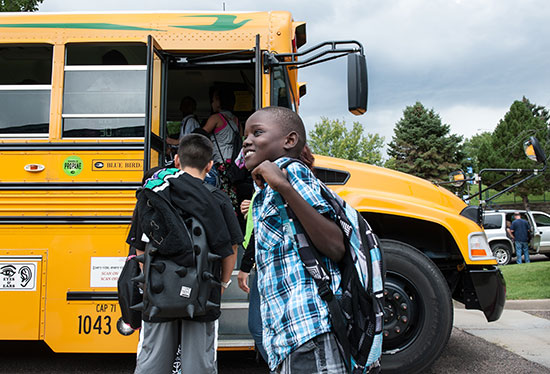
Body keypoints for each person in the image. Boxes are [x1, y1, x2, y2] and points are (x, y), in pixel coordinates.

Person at [242, 106, 349, 373]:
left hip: (309, 330)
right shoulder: (269, 186)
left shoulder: (291, 172)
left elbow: (336, 246)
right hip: (290, 337)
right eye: (245, 135)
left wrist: (285, 187)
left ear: (289, 141)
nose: (246, 140)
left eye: (257, 132)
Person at [128, 134, 242, 374]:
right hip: (204, 293)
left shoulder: (154, 193)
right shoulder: (218, 198)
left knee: (153, 361)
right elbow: (230, 249)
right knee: (199, 364)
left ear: (177, 160)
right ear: (210, 165)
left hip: (158, 294)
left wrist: (153, 279)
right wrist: (221, 283)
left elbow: (139, 247)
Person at [237, 145, 316, 365]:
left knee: (260, 328)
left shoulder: (283, 189)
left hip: (270, 268)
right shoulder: (267, 190)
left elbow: (260, 233)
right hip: (264, 267)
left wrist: (245, 266)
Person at [202, 86, 240, 210]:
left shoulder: (216, 118)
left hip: (219, 163)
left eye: (213, 100)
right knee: (230, 196)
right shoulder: (236, 120)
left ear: (219, 101)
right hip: (233, 164)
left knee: (215, 195)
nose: (212, 103)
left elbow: (199, 136)